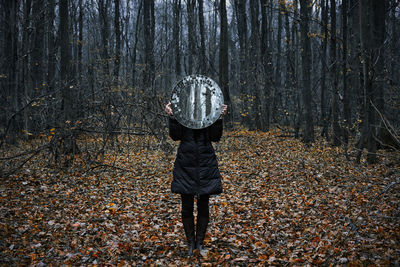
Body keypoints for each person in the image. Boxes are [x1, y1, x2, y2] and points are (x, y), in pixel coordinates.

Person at [165, 102, 227, 256]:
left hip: (206, 162)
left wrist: (218, 118)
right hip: (186, 162)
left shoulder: (208, 112)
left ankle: (199, 242)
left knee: (203, 204)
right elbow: (175, 136)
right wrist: (172, 116)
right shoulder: (183, 112)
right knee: (186, 204)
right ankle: (190, 244)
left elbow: (215, 137)